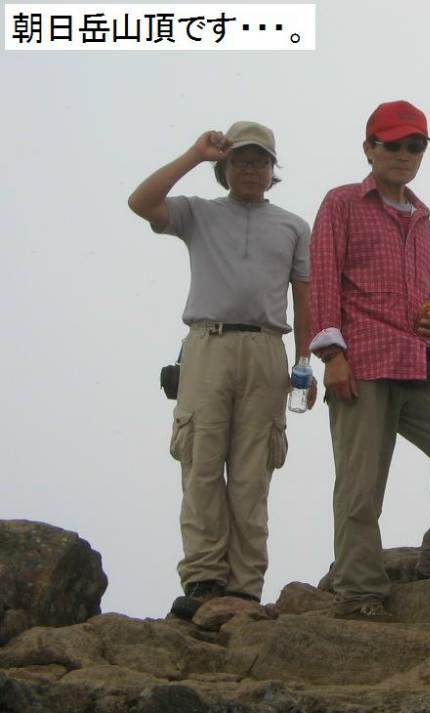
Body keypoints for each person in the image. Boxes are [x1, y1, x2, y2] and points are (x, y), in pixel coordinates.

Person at [309, 100, 430, 622]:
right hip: (363, 360)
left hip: (422, 360)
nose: (403, 154)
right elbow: (322, 278)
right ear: (369, 148)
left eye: (414, 145)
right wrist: (332, 354)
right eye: (391, 144)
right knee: (361, 485)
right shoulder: (342, 202)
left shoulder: (425, 222)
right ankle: (358, 591)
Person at [128, 121, 315, 618]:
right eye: (240, 161)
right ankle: (204, 577)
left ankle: (244, 585)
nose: (251, 170)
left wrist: (304, 362)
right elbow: (140, 201)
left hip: (267, 348)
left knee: (254, 471)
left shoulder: (294, 226)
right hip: (206, 343)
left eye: (260, 162)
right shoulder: (198, 213)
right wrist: (195, 153)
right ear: (224, 168)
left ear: (273, 169)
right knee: (201, 460)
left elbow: (304, 297)